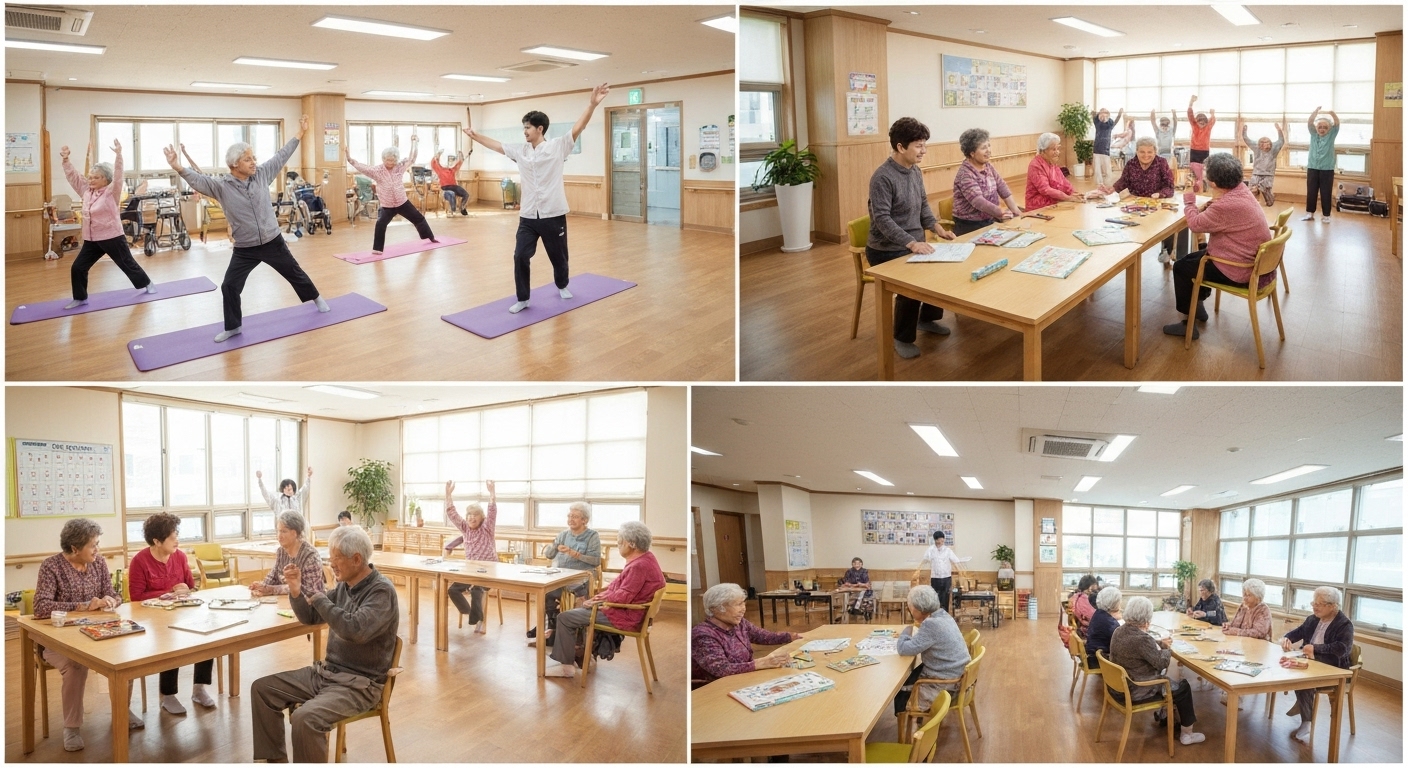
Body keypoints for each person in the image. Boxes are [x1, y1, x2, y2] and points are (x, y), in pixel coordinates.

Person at [165, 117, 327, 342]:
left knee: (295, 273)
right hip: (245, 248)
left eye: (254, 158)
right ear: (234, 164)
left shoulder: (261, 175)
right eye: (248, 159)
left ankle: (317, 299)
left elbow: (281, 155)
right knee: (229, 286)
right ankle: (233, 327)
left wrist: (301, 133)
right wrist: (177, 167)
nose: (254, 162)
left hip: (272, 241)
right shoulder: (221, 186)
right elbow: (198, 180)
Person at [251, 525, 398, 763]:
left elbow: (355, 630)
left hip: (360, 686)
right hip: (327, 674)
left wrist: (320, 598)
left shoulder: (381, 591)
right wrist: (297, 591)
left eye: (336, 558)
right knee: (262, 689)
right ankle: (275, 761)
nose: (331, 564)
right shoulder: (344, 586)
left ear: (357, 559)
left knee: (305, 718)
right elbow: (312, 616)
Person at [464, 83, 610, 314]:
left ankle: (562, 285)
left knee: (559, 256)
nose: (524, 131)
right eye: (524, 127)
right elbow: (496, 146)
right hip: (528, 216)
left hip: (553, 214)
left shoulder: (557, 147)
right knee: (520, 256)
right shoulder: (521, 151)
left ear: (540, 129)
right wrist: (475, 136)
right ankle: (523, 298)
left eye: (528, 127)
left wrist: (592, 104)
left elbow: (578, 127)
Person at [33, 518, 141, 751]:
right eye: (93, 545)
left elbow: (113, 594)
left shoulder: (99, 563)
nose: (98, 550)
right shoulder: (51, 566)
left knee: (126, 655)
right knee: (75, 665)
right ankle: (71, 727)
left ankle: (122, 710)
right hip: (58, 639)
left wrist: (112, 600)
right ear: (74, 548)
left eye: (98, 544)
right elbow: (40, 607)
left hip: (96, 633)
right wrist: (83, 605)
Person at [865, 117, 958, 360]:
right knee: (912, 283)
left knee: (940, 269)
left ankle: (926, 319)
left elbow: (923, 204)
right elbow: (883, 220)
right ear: (900, 147)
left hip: (914, 243)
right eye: (918, 145)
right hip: (886, 248)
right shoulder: (882, 178)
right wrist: (911, 243)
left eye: (924, 145)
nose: (923, 151)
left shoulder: (914, 171)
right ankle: (901, 336)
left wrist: (937, 227)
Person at [1164, 152, 1273, 341]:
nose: (1204, 175)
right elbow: (1224, 211)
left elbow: (1196, 224)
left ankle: (1188, 324)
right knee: (1191, 259)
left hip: (1240, 270)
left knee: (1181, 268)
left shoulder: (1225, 206)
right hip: (1251, 261)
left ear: (1213, 183)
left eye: (1206, 173)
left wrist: (1189, 201)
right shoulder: (1241, 189)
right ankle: (1197, 306)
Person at [545, 520, 665, 679]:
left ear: (632, 544)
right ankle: (582, 656)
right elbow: (617, 586)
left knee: (565, 617)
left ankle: (567, 668)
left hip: (628, 616)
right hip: (633, 613)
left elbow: (623, 596)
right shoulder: (647, 558)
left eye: (620, 541)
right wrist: (597, 598)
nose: (618, 544)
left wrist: (597, 602)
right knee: (579, 612)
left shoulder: (639, 565)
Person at [128, 512, 216, 716]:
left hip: (182, 612)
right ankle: (168, 696)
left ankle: (199, 688)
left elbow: (190, 587)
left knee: (208, 633)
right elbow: (136, 597)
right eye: (171, 536)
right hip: (152, 619)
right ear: (157, 541)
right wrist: (169, 593)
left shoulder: (180, 556)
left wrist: (185, 590)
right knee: (170, 640)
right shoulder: (140, 561)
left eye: (177, 533)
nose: (177, 539)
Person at [59, 140, 154, 309]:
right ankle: (80, 298)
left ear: (106, 179)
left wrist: (118, 155)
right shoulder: (86, 191)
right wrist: (66, 160)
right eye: (90, 177)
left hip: (112, 237)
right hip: (91, 239)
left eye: (97, 177)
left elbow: (118, 176)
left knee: (127, 264)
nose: (92, 180)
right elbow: (73, 176)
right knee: (78, 267)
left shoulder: (111, 192)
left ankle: (147, 283)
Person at [1109, 596, 1206, 746]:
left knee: (1171, 681)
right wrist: (1167, 648)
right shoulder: (1142, 639)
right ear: (1146, 617)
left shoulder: (1119, 631)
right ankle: (1187, 734)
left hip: (1118, 688)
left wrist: (1159, 643)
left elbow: (1139, 647)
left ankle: (1165, 715)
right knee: (1183, 687)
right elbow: (1161, 663)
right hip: (1137, 689)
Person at [1279, 586, 1355, 743]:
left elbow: (1342, 649)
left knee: (1305, 678)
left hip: (1333, 667)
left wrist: (1316, 648)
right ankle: (1303, 705)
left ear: (1333, 606)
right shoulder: (1312, 619)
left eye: (1319, 603)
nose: (1314, 606)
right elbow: (1296, 633)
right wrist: (1286, 639)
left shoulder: (1344, 624)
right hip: (1310, 660)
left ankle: (1306, 721)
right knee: (1293, 667)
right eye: (1314, 602)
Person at [692, 583, 803, 684]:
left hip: (744, 680)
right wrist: (760, 663)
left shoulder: (739, 623)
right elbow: (721, 669)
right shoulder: (703, 635)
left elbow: (763, 636)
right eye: (738, 605)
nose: (743, 609)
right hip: (716, 689)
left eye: (743, 603)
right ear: (716, 609)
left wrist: (790, 636)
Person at [345, 137, 439, 254]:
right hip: (387, 205)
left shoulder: (400, 166)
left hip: (402, 202)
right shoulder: (377, 171)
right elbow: (363, 167)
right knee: (380, 223)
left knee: (419, 218)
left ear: (396, 160)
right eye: (388, 160)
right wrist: (349, 159)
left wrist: (414, 143)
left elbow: (412, 158)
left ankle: (430, 237)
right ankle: (377, 249)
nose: (390, 163)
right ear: (383, 159)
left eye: (393, 161)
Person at [1097, 136, 1181, 264]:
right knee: (1130, 224)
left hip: (1157, 201)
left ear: (1155, 152)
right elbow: (1123, 182)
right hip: (1136, 203)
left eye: (1149, 152)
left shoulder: (1161, 163)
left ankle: (1167, 250)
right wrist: (1111, 189)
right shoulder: (1131, 164)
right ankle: (1130, 250)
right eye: (1142, 152)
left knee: (1165, 222)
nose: (1145, 155)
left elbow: (1169, 186)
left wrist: (1159, 194)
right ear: (1136, 151)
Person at [526, 501, 601, 643]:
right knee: (546, 592)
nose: (570, 519)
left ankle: (577, 636)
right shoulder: (563, 535)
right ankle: (553, 628)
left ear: (585, 520)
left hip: (582, 577)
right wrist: (554, 546)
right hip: (561, 575)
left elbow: (596, 561)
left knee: (579, 593)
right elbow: (549, 555)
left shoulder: (592, 536)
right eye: (569, 516)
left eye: (575, 516)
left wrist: (575, 554)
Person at [893, 585, 970, 717]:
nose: (910, 610)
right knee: (911, 674)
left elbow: (903, 649)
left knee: (899, 692)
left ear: (918, 609)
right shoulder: (943, 615)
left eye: (910, 606)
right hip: (956, 675)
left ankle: (904, 720)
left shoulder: (931, 624)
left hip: (945, 685)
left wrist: (906, 630)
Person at [442, 479, 498, 633]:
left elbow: (492, 511)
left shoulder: (487, 528)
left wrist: (492, 493)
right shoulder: (465, 529)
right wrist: (448, 494)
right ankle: (471, 613)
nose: (472, 518)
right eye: (469, 515)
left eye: (476, 515)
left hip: (489, 570)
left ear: (482, 518)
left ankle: (477, 619)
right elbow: (452, 513)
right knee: (452, 590)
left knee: (476, 589)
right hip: (471, 570)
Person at [952, 127, 1023, 234]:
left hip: (989, 219)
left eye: (989, 146)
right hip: (969, 225)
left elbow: (1002, 187)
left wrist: (1016, 211)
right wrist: (1000, 212)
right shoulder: (965, 174)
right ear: (972, 153)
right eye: (984, 148)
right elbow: (978, 201)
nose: (988, 150)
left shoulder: (988, 166)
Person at [250, 511, 326, 597]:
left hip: (311, 606)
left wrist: (271, 589)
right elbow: (272, 577)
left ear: (294, 533)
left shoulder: (310, 556)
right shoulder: (281, 552)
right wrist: (260, 587)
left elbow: (308, 589)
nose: (279, 536)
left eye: (283, 531)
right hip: (285, 603)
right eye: (278, 531)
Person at [1025, 133, 1098, 210]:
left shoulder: (1051, 162)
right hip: (1038, 206)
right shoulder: (1036, 165)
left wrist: (1073, 193)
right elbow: (1045, 190)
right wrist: (1068, 198)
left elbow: (1063, 181)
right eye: (1053, 149)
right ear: (1043, 151)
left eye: (1057, 149)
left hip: (1053, 201)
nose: (1057, 152)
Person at [911, 530, 965, 614]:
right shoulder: (930, 550)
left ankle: (945, 615)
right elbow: (924, 561)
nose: (941, 542)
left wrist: (961, 570)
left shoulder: (948, 550)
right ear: (935, 540)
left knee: (945, 598)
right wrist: (917, 571)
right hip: (935, 578)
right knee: (935, 598)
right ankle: (935, 615)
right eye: (940, 540)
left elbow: (956, 561)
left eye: (943, 540)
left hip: (946, 578)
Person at [1303, 107, 1341, 222]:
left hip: (1327, 169)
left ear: (1329, 129)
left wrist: (1333, 114)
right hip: (1312, 167)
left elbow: (1337, 124)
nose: (1322, 129)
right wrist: (1314, 113)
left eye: (1325, 127)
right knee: (1311, 191)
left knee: (1326, 192)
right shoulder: (1313, 135)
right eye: (1320, 127)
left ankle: (1326, 215)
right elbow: (1310, 123)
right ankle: (1310, 213)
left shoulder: (1331, 135)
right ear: (1316, 128)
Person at [1242, 121, 1286, 206]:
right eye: (1262, 143)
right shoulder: (1256, 148)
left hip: (1268, 174)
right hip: (1256, 173)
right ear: (1259, 144)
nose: (1264, 145)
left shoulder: (1274, 149)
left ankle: (1270, 200)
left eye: (1266, 142)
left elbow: (1281, 140)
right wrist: (1244, 131)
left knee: (1265, 189)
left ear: (1270, 144)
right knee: (1253, 189)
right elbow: (1246, 139)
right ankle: (1252, 204)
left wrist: (1279, 130)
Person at [1086, 585, 1122, 669]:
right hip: (1100, 661)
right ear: (1114, 603)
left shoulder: (1098, 613)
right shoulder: (1110, 623)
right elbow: (1122, 642)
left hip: (1093, 655)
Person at [1186, 95, 1216, 193]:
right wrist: (1191, 102)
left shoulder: (1208, 128)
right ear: (1197, 121)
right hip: (1194, 150)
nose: (1202, 124)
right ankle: (1196, 184)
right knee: (1194, 168)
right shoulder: (1194, 125)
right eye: (1200, 122)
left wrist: (1212, 114)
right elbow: (1190, 115)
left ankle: (1201, 184)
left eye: (1204, 122)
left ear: (1206, 123)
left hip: (1204, 150)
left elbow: (1212, 120)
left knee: (1203, 169)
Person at [1091, 107, 1124, 190]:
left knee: (1107, 169)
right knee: (1097, 169)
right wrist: (1094, 113)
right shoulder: (1097, 123)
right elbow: (1094, 117)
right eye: (1101, 113)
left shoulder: (1110, 125)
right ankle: (1099, 184)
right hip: (1097, 150)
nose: (1103, 115)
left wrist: (1119, 114)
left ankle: (1107, 184)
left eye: (1105, 113)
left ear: (1108, 115)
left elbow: (1116, 120)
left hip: (1105, 150)